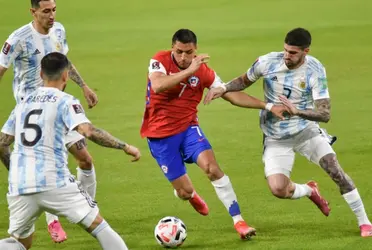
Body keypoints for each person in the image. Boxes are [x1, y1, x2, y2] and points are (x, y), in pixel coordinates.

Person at [204, 27, 372, 237]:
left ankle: (364, 222)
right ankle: (310, 190)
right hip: (275, 136)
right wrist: (224, 88)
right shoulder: (267, 62)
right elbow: (243, 81)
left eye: (293, 53)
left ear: (306, 51)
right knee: (278, 189)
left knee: (335, 170)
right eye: (285, 50)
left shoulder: (315, 70)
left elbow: (324, 113)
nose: (287, 56)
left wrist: (297, 111)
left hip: (306, 131)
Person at [140, 28, 287, 239]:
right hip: (160, 135)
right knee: (184, 192)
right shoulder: (160, 60)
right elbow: (158, 85)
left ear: (195, 49)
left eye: (189, 52)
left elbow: (231, 94)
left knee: (212, 168)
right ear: (172, 47)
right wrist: (190, 70)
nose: (183, 57)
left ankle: (239, 222)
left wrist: (268, 106)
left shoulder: (204, 71)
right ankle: (189, 194)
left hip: (188, 128)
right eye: (179, 51)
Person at [0, 52, 141, 250]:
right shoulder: (65, 101)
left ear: (41, 74)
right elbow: (89, 132)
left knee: (21, 242)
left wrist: (17, 170)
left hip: (20, 185)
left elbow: (2, 143)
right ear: (66, 75)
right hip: (54, 182)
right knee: (100, 227)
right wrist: (125, 146)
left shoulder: (23, 103)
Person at [0, 0, 99, 242]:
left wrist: (84, 85)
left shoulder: (59, 31)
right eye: (46, 11)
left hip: (56, 109)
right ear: (33, 11)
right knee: (42, 169)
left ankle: (85, 209)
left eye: (54, 10)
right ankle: (51, 220)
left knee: (85, 159)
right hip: (30, 113)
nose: (51, 15)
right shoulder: (18, 39)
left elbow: (63, 62)